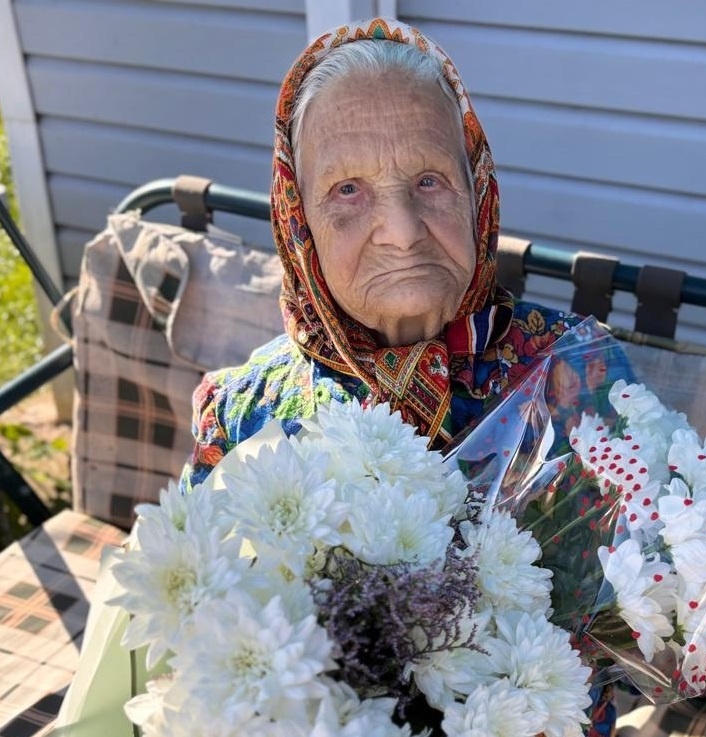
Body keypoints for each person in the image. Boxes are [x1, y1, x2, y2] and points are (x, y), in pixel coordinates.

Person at [180, 16, 633, 734]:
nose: (401, 228)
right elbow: (204, 639)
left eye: (428, 180)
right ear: (298, 218)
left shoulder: (578, 375)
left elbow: (626, 628)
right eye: (348, 191)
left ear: (476, 191)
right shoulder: (241, 412)